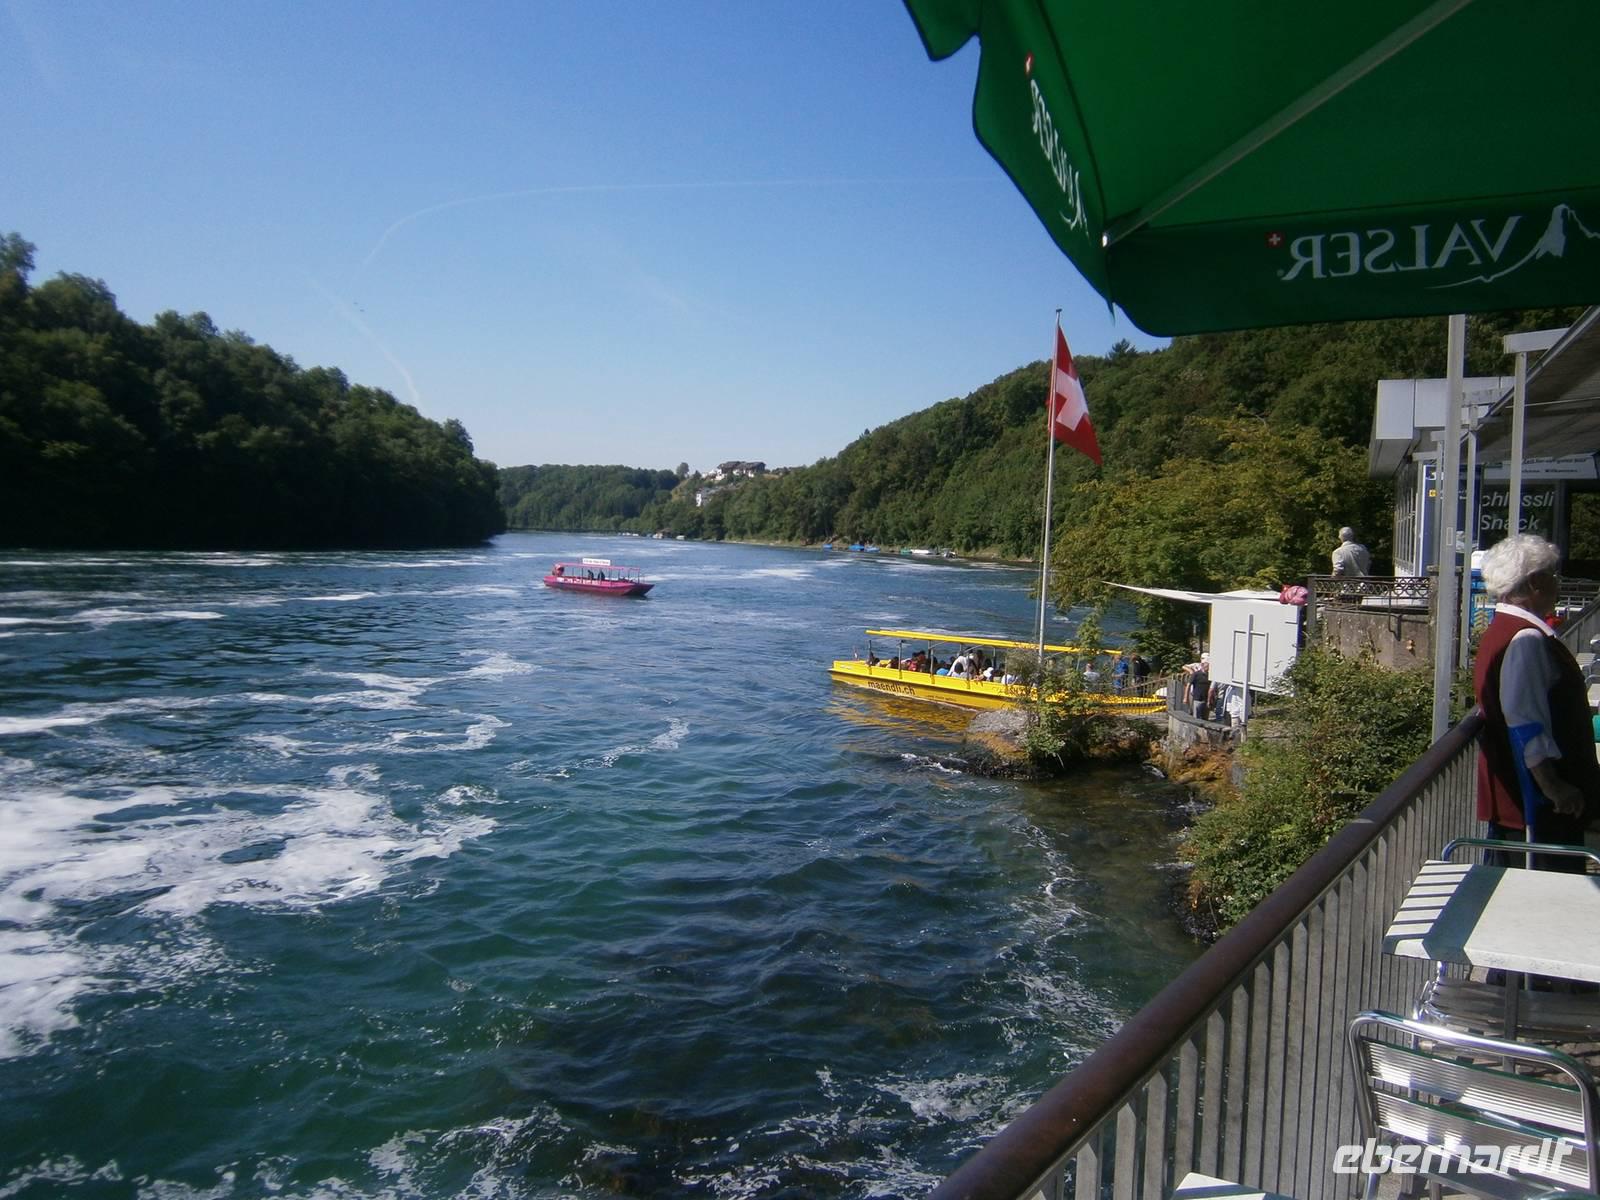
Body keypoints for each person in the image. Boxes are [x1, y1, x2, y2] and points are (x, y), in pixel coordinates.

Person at [1474, 534, 1599, 870]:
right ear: (1534, 583)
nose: (1558, 583)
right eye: (1553, 575)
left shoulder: (1505, 629)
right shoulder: (1526, 639)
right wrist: (1554, 786)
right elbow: (1523, 720)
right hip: (1537, 812)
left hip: (1524, 805)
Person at [1187, 654, 1210, 719]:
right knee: (1195, 713)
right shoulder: (1196, 671)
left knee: (1204, 716)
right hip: (1196, 696)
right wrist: (1191, 671)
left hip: (1205, 698)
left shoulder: (1209, 675)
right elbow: (1184, 666)